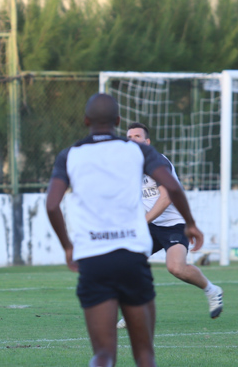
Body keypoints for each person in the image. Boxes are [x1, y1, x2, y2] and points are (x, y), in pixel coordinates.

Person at [46, 93, 204, 367]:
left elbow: (51, 205)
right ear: (118, 121)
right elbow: (173, 187)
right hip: (131, 256)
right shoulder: (138, 150)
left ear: (85, 121)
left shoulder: (69, 155)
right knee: (144, 355)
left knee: (103, 354)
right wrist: (190, 222)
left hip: (93, 259)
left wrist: (68, 246)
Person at [113, 122, 223, 329]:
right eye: (129, 137)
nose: (132, 140)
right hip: (150, 224)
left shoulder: (157, 162)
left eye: (137, 136)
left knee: (176, 268)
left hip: (174, 224)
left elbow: (166, 199)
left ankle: (212, 290)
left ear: (147, 142)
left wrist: (141, 222)